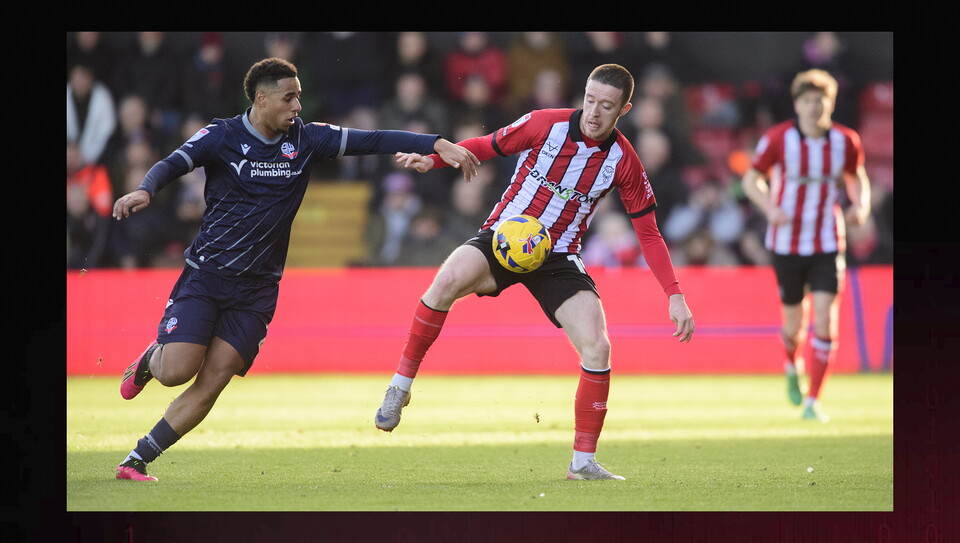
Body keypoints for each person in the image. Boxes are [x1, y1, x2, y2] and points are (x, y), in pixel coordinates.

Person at [111, 57, 479, 482]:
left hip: (257, 290)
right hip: (208, 274)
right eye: (289, 98)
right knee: (176, 371)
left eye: (299, 97)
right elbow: (174, 163)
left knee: (215, 378)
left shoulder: (307, 139)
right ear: (261, 99)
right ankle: (150, 359)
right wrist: (146, 189)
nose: (297, 106)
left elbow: (375, 138)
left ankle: (136, 460)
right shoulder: (222, 134)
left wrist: (437, 143)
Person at [374, 63, 695, 481]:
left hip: (558, 255)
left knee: (598, 348)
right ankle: (400, 386)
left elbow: (648, 233)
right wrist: (432, 160)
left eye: (607, 105)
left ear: (624, 110)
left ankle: (582, 463)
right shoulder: (546, 124)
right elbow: (487, 145)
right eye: (591, 100)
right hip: (505, 236)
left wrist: (674, 294)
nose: (594, 112)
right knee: (445, 282)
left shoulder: (624, 161)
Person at [740, 69, 870, 422]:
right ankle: (790, 363)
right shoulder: (779, 139)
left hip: (827, 241)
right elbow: (751, 180)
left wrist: (860, 206)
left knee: (825, 318)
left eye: (820, 100)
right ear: (797, 105)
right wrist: (770, 208)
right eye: (808, 100)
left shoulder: (845, 141)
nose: (814, 107)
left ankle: (814, 401)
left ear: (830, 104)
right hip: (786, 244)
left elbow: (856, 177)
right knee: (793, 326)